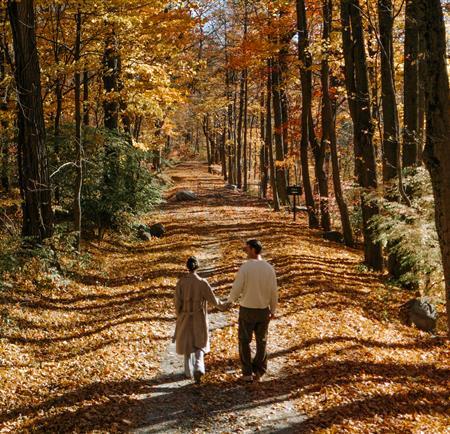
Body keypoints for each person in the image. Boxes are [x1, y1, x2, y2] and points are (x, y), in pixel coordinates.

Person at [226, 239, 278, 382]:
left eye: (247, 249)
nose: (245, 251)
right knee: (262, 341)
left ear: (254, 250)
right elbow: (274, 292)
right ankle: (259, 370)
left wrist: (230, 301)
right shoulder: (269, 268)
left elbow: (237, 287)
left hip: (247, 309)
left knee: (244, 341)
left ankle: (247, 372)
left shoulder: (246, 268)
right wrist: (273, 309)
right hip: (263, 310)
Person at [174, 256, 224, 384]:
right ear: (197, 267)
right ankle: (199, 366)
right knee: (200, 343)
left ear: (187, 267)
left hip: (185, 316)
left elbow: (177, 303)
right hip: (199, 317)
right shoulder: (202, 283)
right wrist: (225, 305)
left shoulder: (181, 283)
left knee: (187, 343)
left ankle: (187, 371)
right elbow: (213, 300)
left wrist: (179, 315)